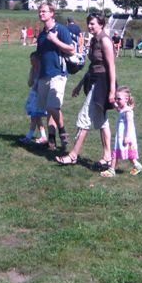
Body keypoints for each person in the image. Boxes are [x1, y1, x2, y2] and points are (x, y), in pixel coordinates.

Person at [56, 12, 115, 167]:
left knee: (84, 117)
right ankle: (108, 157)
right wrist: (80, 84)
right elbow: (92, 66)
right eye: (88, 23)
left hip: (102, 83)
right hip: (93, 81)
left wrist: (112, 91)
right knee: (101, 120)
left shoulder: (105, 41)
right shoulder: (94, 39)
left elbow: (111, 67)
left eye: (93, 23)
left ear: (101, 24)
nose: (89, 26)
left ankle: (73, 155)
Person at [36, 1, 76, 151]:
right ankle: (51, 140)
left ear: (52, 13)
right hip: (43, 75)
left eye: (44, 11)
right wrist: (35, 76)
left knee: (53, 106)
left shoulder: (61, 29)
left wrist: (55, 40)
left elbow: (71, 49)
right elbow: (40, 56)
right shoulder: (41, 35)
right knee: (48, 109)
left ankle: (62, 130)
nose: (41, 14)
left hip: (58, 73)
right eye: (40, 12)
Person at [101, 86, 142, 177]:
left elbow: (130, 124)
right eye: (116, 98)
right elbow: (119, 110)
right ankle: (138, 166)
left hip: (125, 136)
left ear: (126, 99)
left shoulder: (128, 111)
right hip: (121, 136)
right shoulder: (123, 109)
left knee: (116, 153)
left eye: (119, 99)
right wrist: (114, 103)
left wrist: (127, 136)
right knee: (128, 154)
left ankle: (111, 170)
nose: (117, 100)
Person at [20, 51, 47, 145]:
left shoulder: (43, 70)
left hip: (40, 95)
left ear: (38, 60)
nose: (31, 62)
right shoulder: (33, 69)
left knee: (34, 117)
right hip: (34, 94)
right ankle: (43, 136)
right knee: (37, 117)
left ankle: (29, 136)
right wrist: (32, 75)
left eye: (33, 60)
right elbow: (30, 84)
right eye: (30, 60)